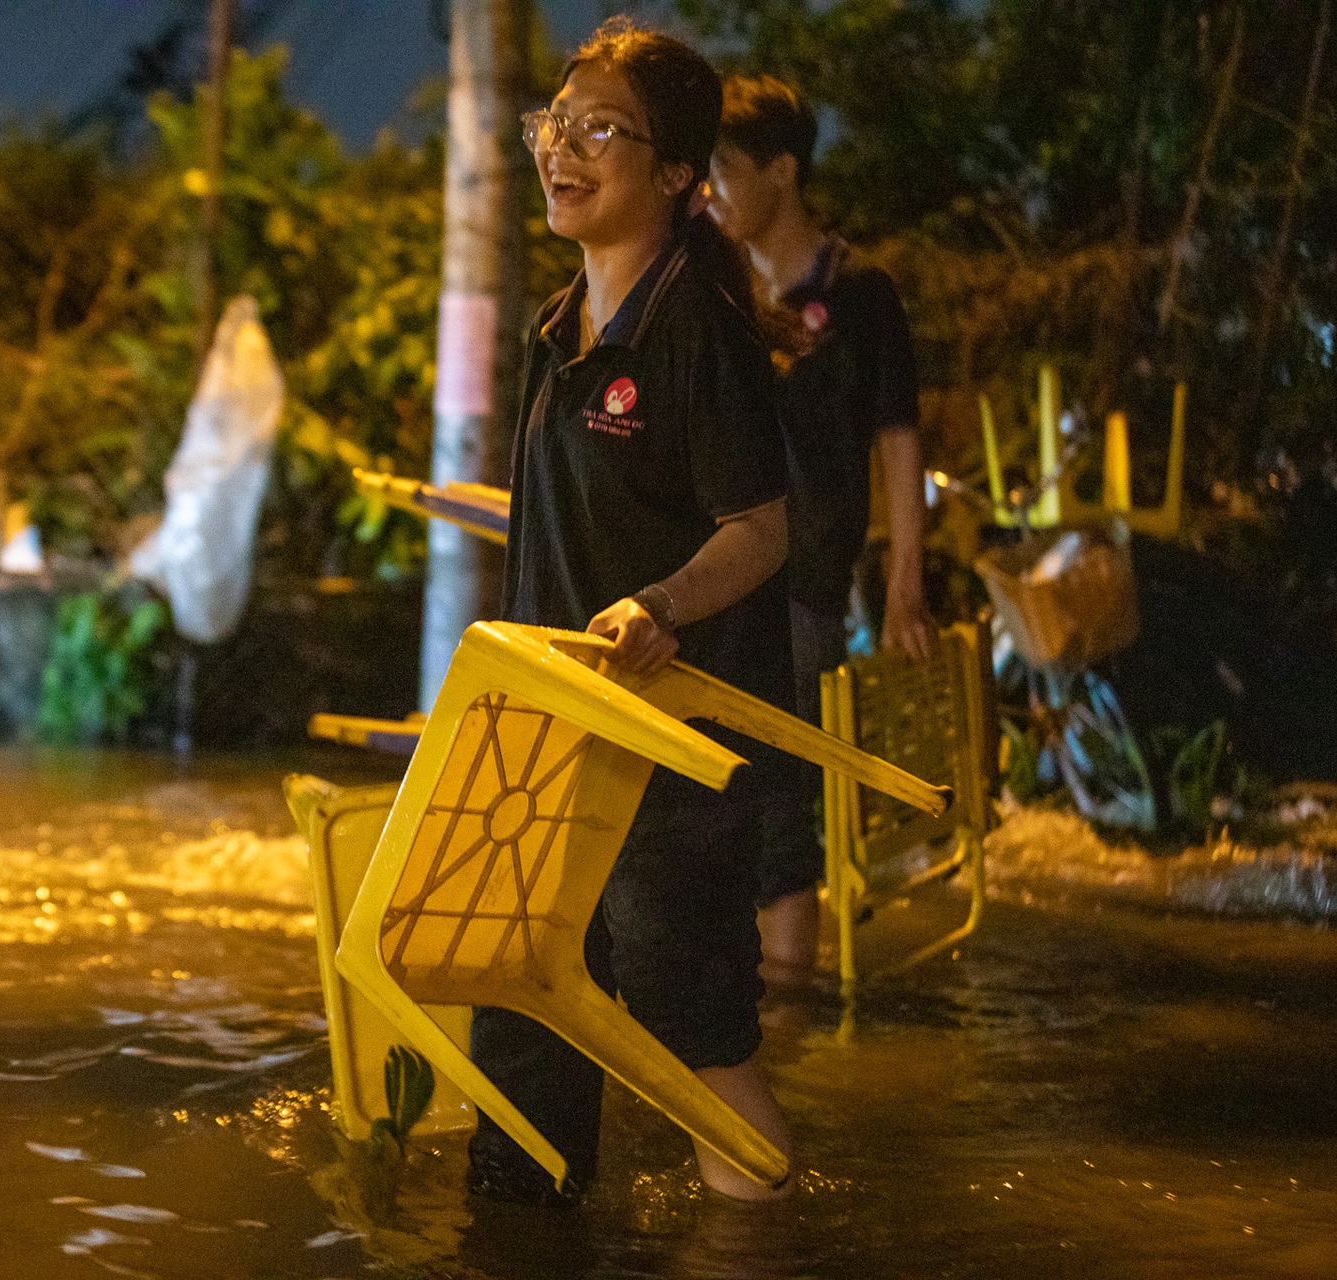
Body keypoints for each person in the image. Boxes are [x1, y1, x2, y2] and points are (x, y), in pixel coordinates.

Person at [469, 19, 800, 1207]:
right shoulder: (561, 328)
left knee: (692, 1031)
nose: (564, 149)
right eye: (555, 125)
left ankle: (764, 1239)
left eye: (599, 128)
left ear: (675, 175)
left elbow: (761, 529)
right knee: (518, 1009)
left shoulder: (698, 333)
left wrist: (660, 605)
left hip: (672, 753)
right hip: (551, 737)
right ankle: (521, 1236)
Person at [707, 75, 934, 985]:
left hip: (803, 586)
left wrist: (905, 582)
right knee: (711, 785)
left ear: (782, 172)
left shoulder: (860, 297)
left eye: (723, 171)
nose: (710, 193)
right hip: (710, 578)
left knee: (779, 792)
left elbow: (898, 445)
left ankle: (791, 1005)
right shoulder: (714, 290)